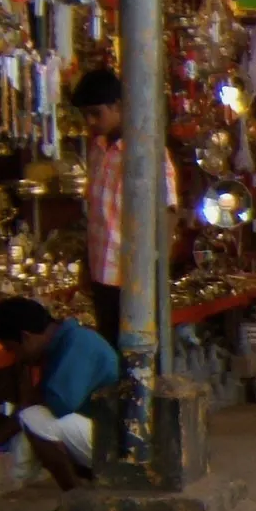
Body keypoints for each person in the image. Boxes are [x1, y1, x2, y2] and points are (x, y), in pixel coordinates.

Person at [0, 298, 119, 492]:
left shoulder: (78, 343)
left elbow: (52, 406)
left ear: (26, 337)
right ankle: (87, 489)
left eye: (12, 349)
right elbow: (26, 410)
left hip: (115, 443)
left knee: (34, 419)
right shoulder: (64, 344)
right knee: (32, 420)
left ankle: (76, 496)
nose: (16, 356)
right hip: (105, 436)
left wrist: (26, 383)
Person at [72, 68, 177, 339]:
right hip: (101, 272)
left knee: (135, 348)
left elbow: (167, 212)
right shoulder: (98, 150)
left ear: (117, 107)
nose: (91, 122)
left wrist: (154, 270)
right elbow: (97, 214)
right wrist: (86, 265)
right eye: (86, 115)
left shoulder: (146, 152)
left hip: (132, 276)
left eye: (97, 113)